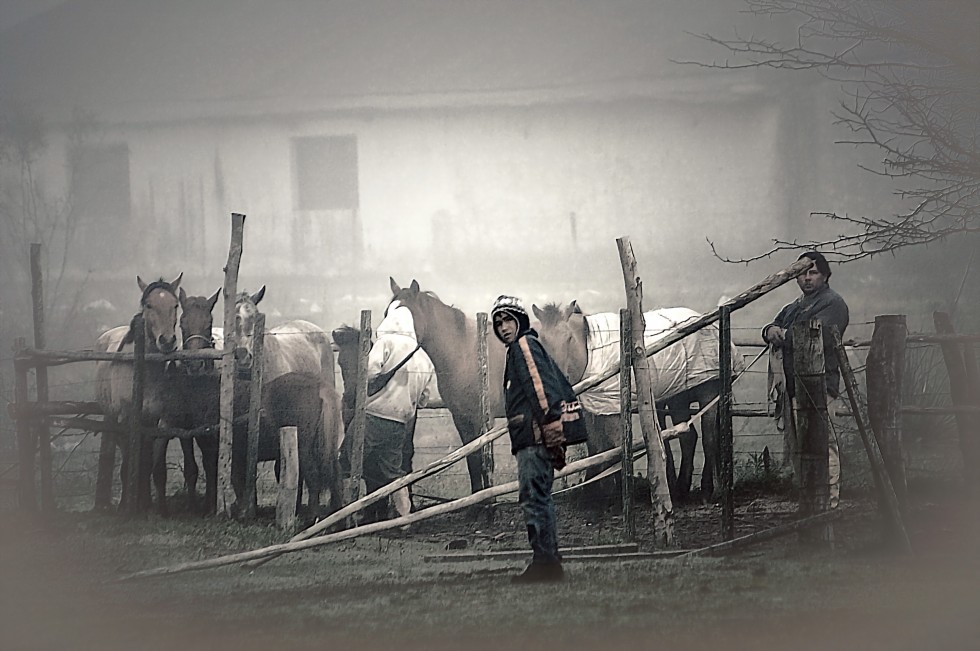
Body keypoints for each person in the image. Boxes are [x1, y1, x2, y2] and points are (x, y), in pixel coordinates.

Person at [491, 294, 586, 584]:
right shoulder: (522, 346)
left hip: (534, 439)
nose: (504, 327)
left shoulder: (523, 346)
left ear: (520, 320)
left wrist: (551, 432)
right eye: (498, 323)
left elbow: (541, 390)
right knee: (539, 498)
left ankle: (544, 563)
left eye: (508, 320)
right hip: (532, 438)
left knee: (534, 499)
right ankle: (549, 562)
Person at [763, 251, 849, 508]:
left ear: (825, 275)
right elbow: (771, 326)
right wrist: (770, 331)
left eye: (813, 272)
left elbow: (816, 335)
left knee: (824, 445)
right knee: (799, 448)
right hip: (793, 386)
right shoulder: (795, 306)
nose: (807, 278)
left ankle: (829, 502)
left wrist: (783, 334)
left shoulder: (833, 304)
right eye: (802, 273)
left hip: (821, 386)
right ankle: (809, 501)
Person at [360, 304, 434, 523]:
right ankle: (404, 518)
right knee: (394, 470)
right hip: (400, 422)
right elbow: (423, 399)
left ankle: (345, 515)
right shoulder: (424, 357)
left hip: (373, 415)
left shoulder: (386, 342)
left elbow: (369, 371)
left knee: (350, 462)